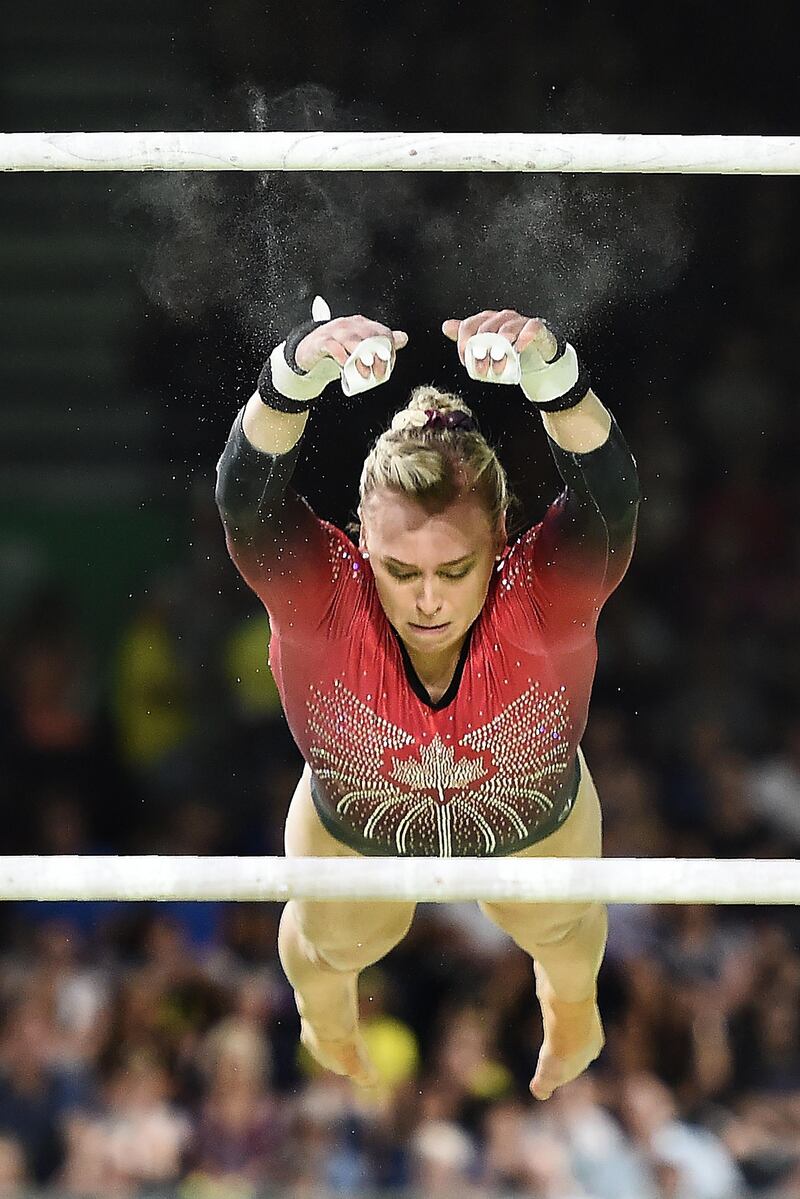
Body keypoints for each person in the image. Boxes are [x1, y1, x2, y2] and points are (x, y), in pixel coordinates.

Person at [215, 301, 640, 1100]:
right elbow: (248, 502)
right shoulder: (321, 594)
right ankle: (325, 1015)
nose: (428, 600)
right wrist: (295, 372)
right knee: (334, 941)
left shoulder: (545, 593)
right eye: (400, 571)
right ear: (361, 542)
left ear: (502, 539)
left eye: (455, 569)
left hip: (532, 815)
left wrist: (554, 377)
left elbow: (609, 498)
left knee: (555, 925)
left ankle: (571, 1003)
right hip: (357, 820)